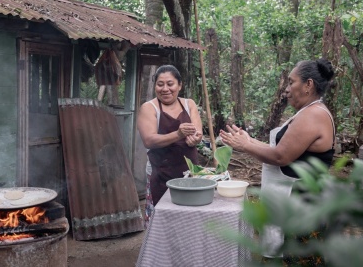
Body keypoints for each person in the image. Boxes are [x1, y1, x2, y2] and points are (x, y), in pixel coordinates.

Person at [219, 58, 335, 263]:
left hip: (302, 204)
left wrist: (245, 146)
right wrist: (249, 140)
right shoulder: (306, 112)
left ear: (308, 85)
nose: (287, 89)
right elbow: (281, 149)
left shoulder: (313, 114)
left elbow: (281, 156)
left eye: (292, 82)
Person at [137, 65, 203, 210]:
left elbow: (198, 132)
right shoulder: (149, 108)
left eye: (170, 84)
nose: (165, 89)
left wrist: (195, 139)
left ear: (179, 85)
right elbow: (149, 141)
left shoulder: (188, 104)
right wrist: (178, 134)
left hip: (189, 172)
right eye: (160, 84)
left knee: (189, 213)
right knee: (162, 215)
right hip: (161, 172)